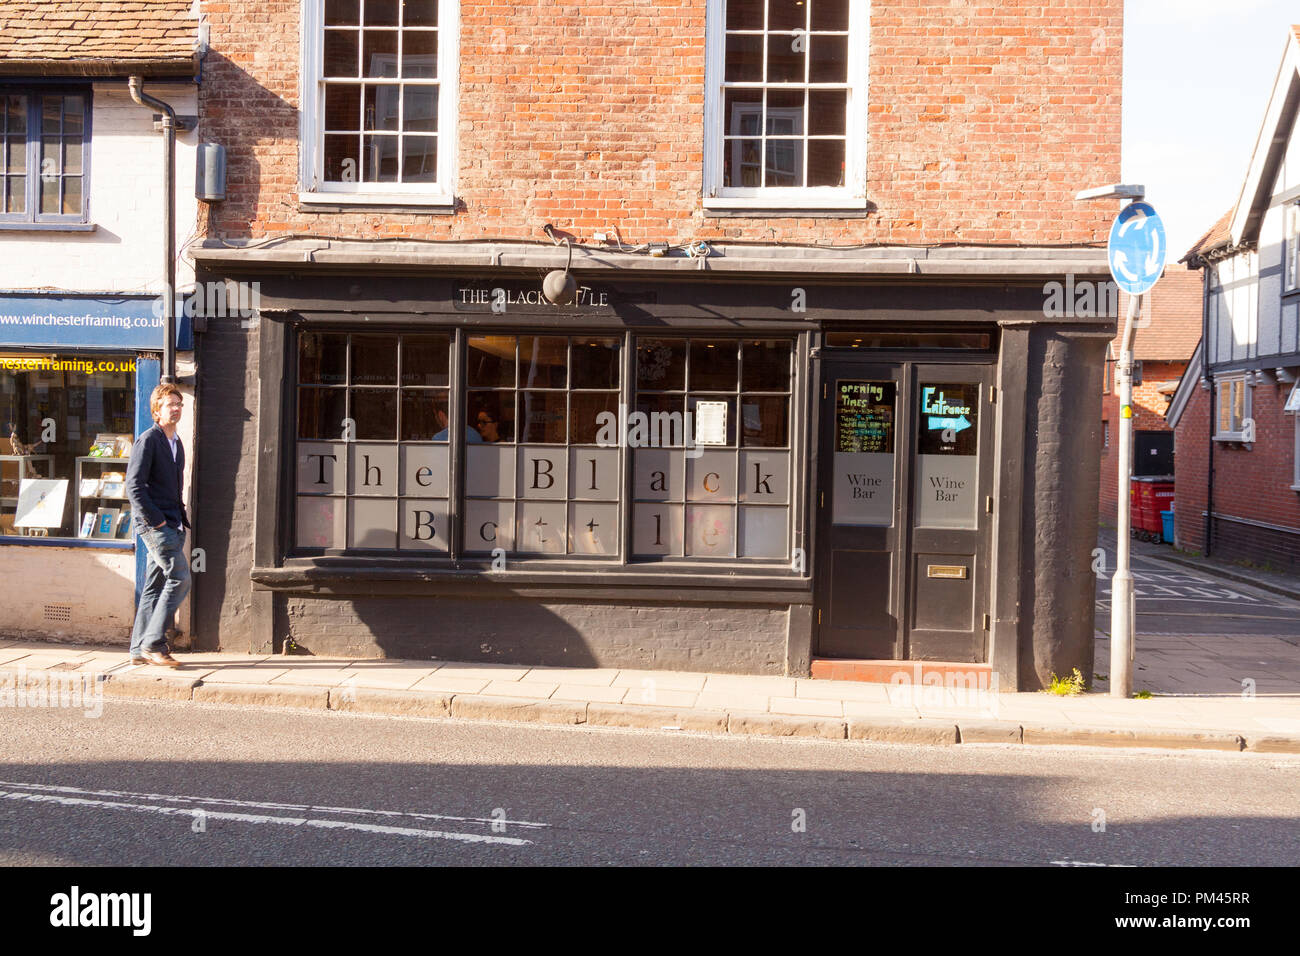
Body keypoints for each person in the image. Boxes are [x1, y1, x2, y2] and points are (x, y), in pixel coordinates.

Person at [125, 383, 191, 667]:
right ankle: (154, 644)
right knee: (180, 578)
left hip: (173, 524)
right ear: (156, 410)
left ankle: (138, 649)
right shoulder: (148, 440)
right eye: (169, 404)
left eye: (178, 404)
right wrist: (158, 520)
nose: (175, 409)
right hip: (156, 526)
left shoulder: (176, 442)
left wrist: (176, 520)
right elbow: (134, 486)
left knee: (154, 586)